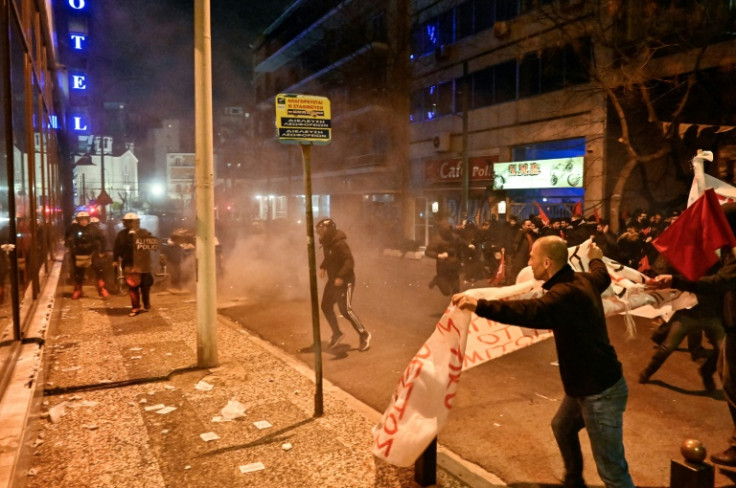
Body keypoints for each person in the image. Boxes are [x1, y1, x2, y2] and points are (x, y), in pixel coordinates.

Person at [452, 237, 635, 488]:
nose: (529, 263)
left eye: (532, 258)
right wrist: (595, 256)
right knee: (562, 427)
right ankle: (573, 480)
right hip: (583, 386)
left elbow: (531, 311)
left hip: (600, 391)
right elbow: (601, 274)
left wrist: (480, 305)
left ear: (547, 263)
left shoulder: (564, 294)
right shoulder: (583, 279)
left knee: (612, 470)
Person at [648, 202, 736, 466]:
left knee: (732, 384)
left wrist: (676, 280)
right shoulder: (730, 252)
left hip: (731, 327)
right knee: (727, 377)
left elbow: (722, 282)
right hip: (728, 325)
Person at [316, 218, 371, 352]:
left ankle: (364, 335)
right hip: (334, 280)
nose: (319, 234)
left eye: (322, 230)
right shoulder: (328, 242)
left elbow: (349, 261)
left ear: (329, 230)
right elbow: (330, 257)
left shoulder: (340, 244)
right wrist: (323, 266)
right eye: (318, 231)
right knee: (326, 306)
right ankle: (337, 333)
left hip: (345, 280)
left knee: (345, 310)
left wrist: (341, 276)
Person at [113, 212, 156, 316]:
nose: (131, 224)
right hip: (129, 263)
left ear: (138, 223)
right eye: (129, 222)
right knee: (133, 286)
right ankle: (136, 307)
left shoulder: (144, 232)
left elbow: (152, 245)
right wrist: (115, 259)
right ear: (125, 223)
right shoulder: (122, 235)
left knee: (145, 286)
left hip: (143, 264)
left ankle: (146, 303)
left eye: (133, 222)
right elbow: (117, 248)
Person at [65, 210, 107, 299]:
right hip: (78, 254)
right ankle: (78, 290)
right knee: (78, 273)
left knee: (98, 270)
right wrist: (69, 247)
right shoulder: (73, 228)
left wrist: (102, 251)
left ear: (88, 219)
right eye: (81, 219)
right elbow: (66, 236)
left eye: (85, 219)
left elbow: (103, 239)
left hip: (92, 253)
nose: (83, 221)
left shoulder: (94, 228)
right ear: (78, 220)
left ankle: (101, 288)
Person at [425, 220, 475, 295]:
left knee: (456, 291)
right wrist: (439, 255)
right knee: (447, 292)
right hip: (443, 268)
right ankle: (437, 280)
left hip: (454, 266)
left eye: (449, 232)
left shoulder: (453, 237)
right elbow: (427, 252)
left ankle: (454, 305)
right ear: (442, 231)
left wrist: (468, 245)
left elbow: (461, 241)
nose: (449, 234)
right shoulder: (437, 240)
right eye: (446, 232)